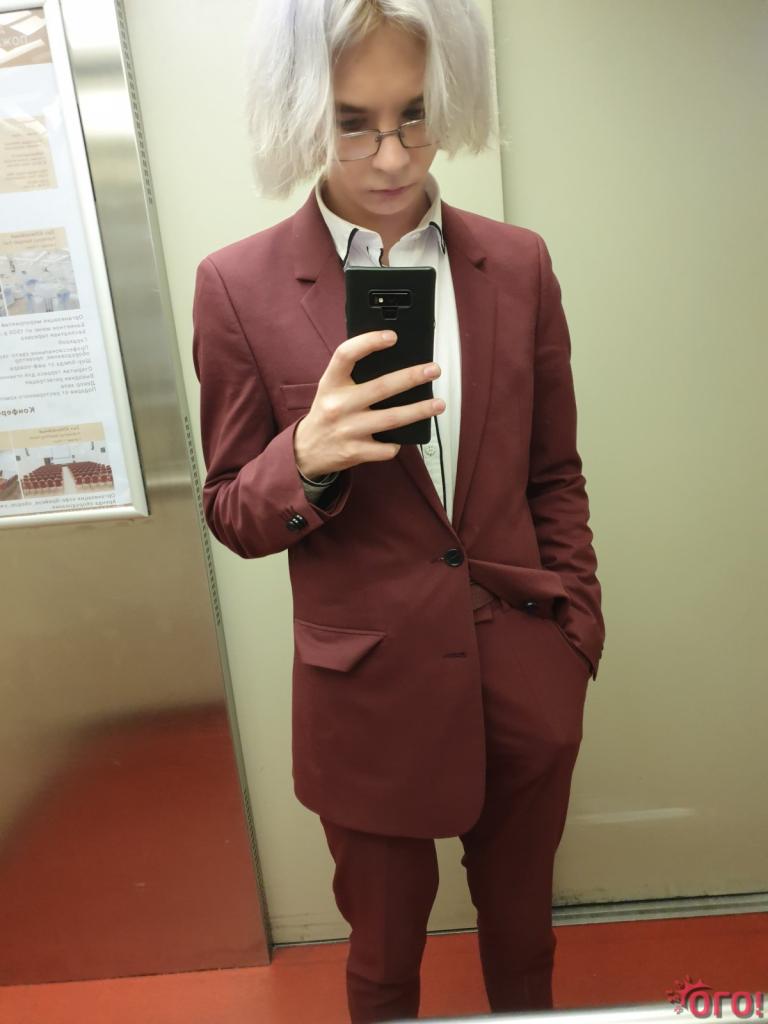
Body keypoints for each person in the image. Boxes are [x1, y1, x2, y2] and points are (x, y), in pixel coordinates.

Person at [192, 2, 605, 1021]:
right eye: (354, 123)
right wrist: (306, 459)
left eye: (413, 115)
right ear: (304, 115)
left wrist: (575, 636)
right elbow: (231, 509)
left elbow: (554, 471)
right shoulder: (238, 286)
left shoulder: (517, 263)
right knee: (382, 960)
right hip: (364, 692)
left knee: (526, 940)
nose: (391, 156)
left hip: (521, 667)